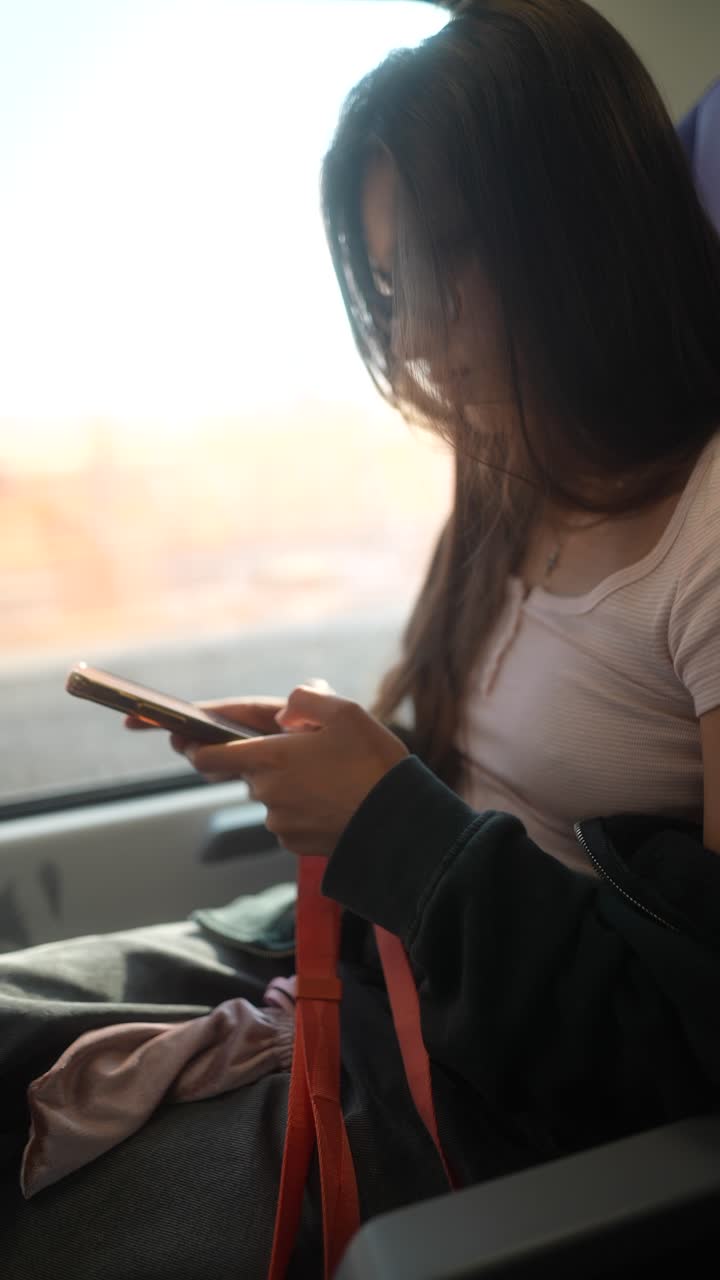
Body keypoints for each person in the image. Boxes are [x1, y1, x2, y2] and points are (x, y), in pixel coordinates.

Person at [2, 1, 720, 1275]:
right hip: (362, 941)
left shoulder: (706, 535)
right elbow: (469, 766)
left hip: (494, 1071)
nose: (421, 339)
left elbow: (689, 1043)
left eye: (446, 269)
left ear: (584, 228)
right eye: (393, 287)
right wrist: (341, 762)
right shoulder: (515, 460)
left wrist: (392, 818)